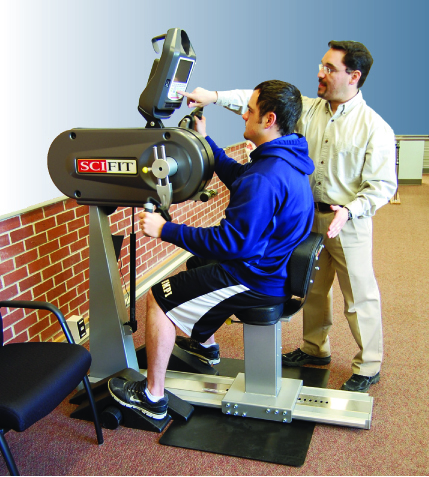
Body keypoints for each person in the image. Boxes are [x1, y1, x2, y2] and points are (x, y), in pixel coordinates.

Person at [178, 41, 397, 393]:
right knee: (311, 285)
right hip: (307, 217)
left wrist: (350, 210)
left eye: (329, 68)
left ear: (354, 76)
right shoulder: (309, 110)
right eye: (322, 65)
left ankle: (369, 363)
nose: (319, 74)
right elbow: (261, 101)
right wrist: (214, 96)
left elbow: (383, 185)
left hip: (348, 220)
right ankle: (315, 349)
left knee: (358, 294)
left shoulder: (374, 127)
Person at [108, 80, 315, 419]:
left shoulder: (264, 177)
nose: (244, 114)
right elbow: (239, 176)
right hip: (269, 266)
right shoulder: (286, 161)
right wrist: (205, 140)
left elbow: (232, 243)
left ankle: (152, 397)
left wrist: (165, 230)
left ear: (269, 119)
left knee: (159, 298)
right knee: (198, 262)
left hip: (253, 278)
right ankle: (205, 345)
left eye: (250, 109)